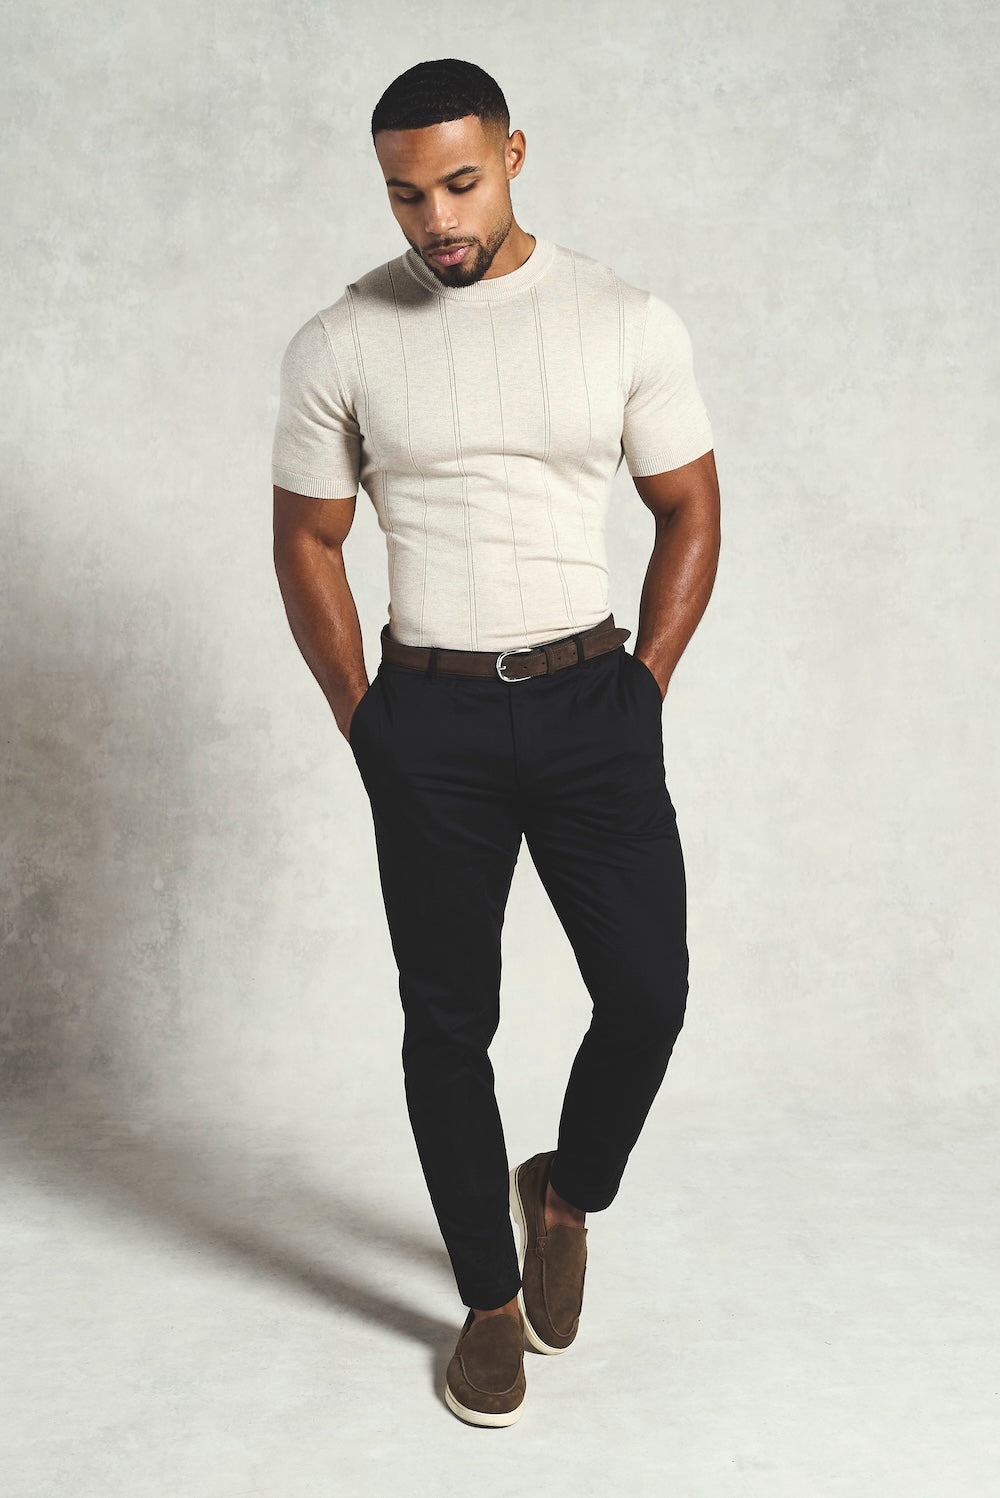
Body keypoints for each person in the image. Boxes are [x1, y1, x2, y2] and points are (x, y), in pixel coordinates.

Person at [270, 57, 721, 1428]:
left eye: (460, 185)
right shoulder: (343, 339)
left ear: (514, 155)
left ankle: (564, 1193)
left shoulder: (621, 317)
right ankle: (485, 1300)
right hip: (432, 717)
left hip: (591, 703)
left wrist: (643, 686)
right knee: (448, 1022)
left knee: (646, 993)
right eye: (407, 195)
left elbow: (690, 507)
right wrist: (364, 719)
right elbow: (307, 539)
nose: (437, 220)